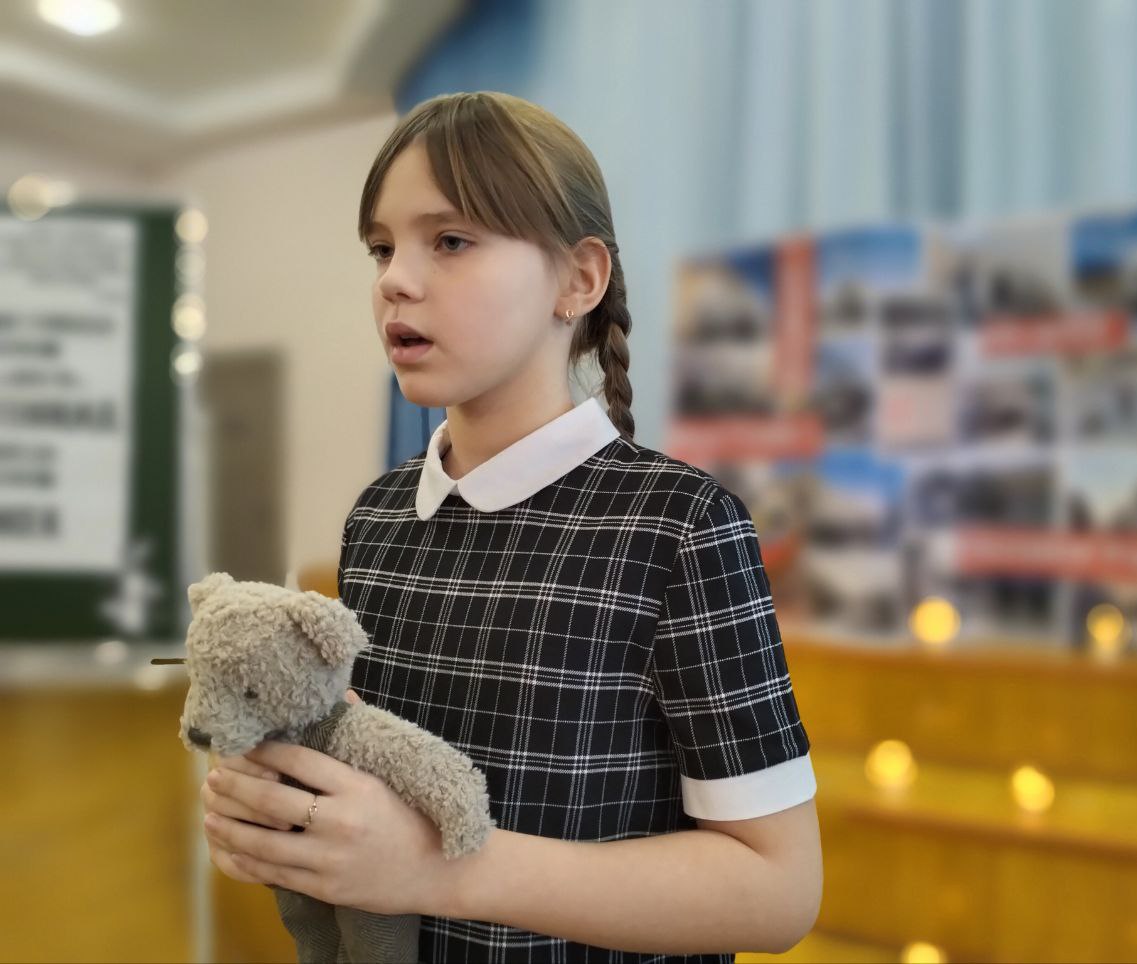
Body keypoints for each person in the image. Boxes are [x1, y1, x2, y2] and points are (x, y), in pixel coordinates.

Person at [198, 90, 822, 963]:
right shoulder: (378, 516)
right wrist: (284, 813)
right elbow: (369, 774)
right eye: (382, 248)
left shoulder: (680, 526)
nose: (395, 279)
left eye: (451, 241)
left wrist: (440, 871)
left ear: (579, 280)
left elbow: (778, 889)